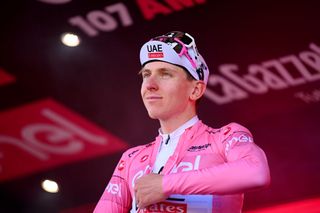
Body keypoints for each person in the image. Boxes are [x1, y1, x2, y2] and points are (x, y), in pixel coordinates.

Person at [94, 31, 270, 213]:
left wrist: (166, 185)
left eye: (165, 74)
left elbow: (256, 172)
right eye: (146, 74)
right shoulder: (131, 158)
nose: (149, 85)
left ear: (195, 90)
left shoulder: (225, 137)